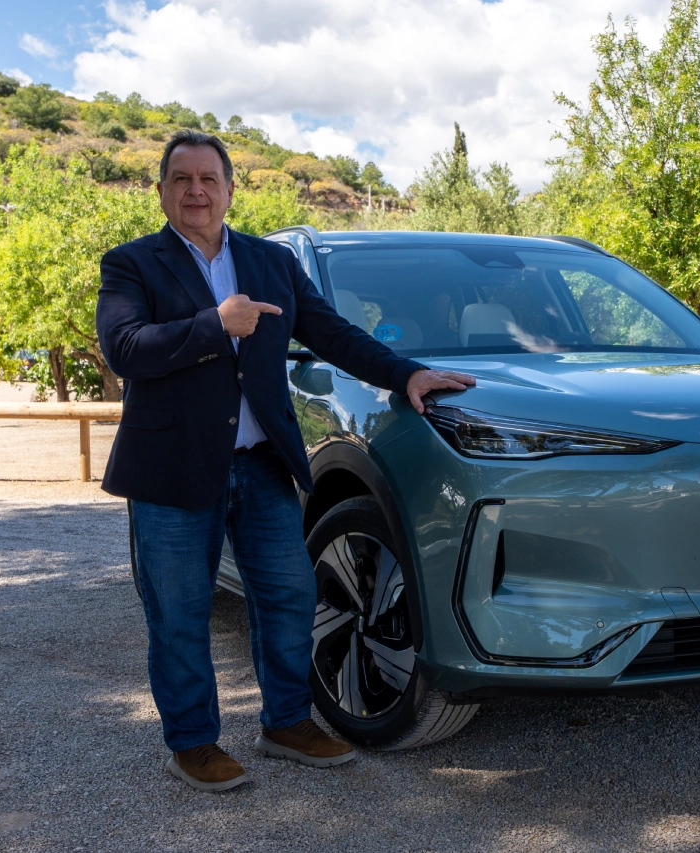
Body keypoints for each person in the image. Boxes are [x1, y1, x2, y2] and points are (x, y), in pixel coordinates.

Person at [96, 130, 475, 792]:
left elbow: (331, 332)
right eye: (181, 179)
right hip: (173, 471)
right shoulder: (131, 265)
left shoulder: (269, 262)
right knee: (179, 610)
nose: (195, 191)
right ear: (161, 191)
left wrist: (406, 373)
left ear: (230, 189)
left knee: (290, 595)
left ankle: (286, 722)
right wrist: (217, 323)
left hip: (262, 463)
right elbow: (126, 348)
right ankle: (191, 742)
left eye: (208, 179)